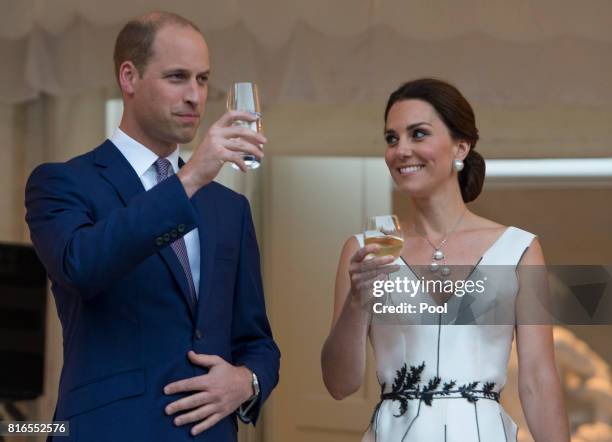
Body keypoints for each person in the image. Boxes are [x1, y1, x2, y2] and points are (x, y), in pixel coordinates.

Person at [25, 11, 280, 442]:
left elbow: (257, 341)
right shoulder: (63, 182)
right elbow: (81, 267)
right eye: (178, 77)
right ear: (129, 77)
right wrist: (192, 176)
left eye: (202, 79)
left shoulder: (229, 207)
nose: (195, 96)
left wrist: (247, 381)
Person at [321, 78, 570, 441]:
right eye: (392, 139)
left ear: (461, 147)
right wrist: (358, 303)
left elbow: (538, 381)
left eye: (417, 134)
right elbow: (339, 384)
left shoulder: (519, 250)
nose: (400, 150)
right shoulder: (366, 250)